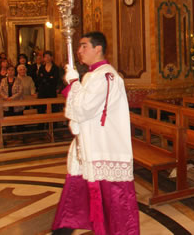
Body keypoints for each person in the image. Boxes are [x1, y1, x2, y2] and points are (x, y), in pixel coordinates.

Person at [52, 31, 139, 235]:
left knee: (112, 207)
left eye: (84, 46)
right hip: (89, 147)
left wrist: (73, 83)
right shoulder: (93, 75)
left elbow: (82, 109)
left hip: (104, 149)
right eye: (79, 47)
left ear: (98, 48)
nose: (79, 50)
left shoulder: (106, 76)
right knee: (75, 197)